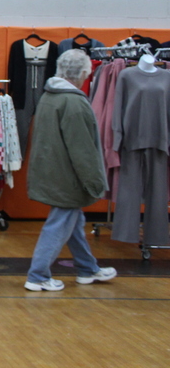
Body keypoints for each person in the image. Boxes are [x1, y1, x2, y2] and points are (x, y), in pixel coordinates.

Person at [24, 49, 117, 292]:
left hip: (51, 173)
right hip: (68, 178)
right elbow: (83, 150)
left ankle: (88, 268)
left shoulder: (49, 96)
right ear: (86, 72)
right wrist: (95, 182)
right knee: (59, 223)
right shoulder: (74, 102)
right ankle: (38, 275)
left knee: (73, 222)